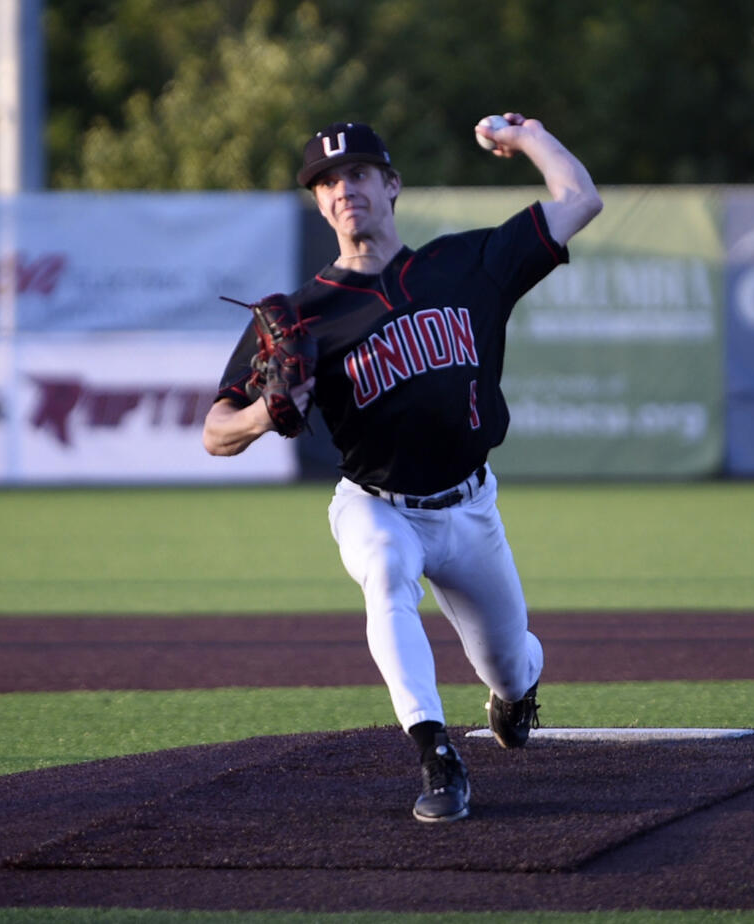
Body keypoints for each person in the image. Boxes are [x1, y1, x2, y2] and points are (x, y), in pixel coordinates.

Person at [203, 114, 602, 822]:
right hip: (377, 502)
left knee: (509, 665)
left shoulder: (465, 264)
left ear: (391, 185)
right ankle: (436, 755)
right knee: (385, 571)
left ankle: (513, 698)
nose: (342, 188)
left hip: (471, 510)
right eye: (326, 181)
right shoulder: (302, 317)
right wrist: (268, 412)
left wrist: (530, 136)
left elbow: (579, 199)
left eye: (357, 173)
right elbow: (215, 432)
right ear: (319, 203)